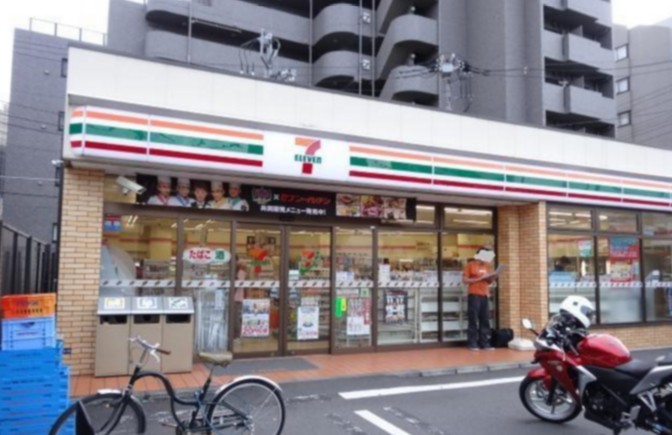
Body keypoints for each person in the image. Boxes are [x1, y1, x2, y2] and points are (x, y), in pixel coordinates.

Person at [463, 247, 499, 351]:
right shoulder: (470, 265)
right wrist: (479, 278)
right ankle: (472, 343)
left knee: (485, 319)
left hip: (485, 294)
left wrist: (493, 277)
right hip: (474, 295)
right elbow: (465, 280)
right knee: (473, 319)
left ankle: (484, 343)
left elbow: (488, 281)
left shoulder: (486, 266)